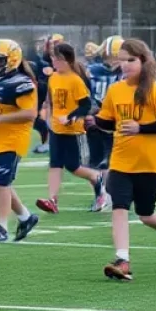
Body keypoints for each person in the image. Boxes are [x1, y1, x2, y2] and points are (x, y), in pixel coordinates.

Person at [97, 38, 156, 281]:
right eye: (122, 60)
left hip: (147, 163)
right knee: (119, 206)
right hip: (119, 162)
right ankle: (123, 260)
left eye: (131, 60)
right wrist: (92, 119)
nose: (125, 65)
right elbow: (107, 121)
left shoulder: (153, 89)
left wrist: (141, 128)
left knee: (146, 214)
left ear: (143, 61)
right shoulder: (115, 90)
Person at [0, 39, 39, 242]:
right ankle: (25, 217)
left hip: (14, 137)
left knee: (2, 182)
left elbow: (30, 113)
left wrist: (2, 118)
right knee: (2, 183)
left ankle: (1, 227)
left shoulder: (22, 82)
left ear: (12, 60)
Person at [35, 42, 106, 215]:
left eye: (56, 58)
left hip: (73, 131)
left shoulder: (75, 80)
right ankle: (52, 200)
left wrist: (70, 117)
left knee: (73, 166)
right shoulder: (53, 78)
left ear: (65, 60)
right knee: (55, 164)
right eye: (52, 57)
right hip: (56, 130)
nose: (53, 61)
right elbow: (50, 101)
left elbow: (85, 104)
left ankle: (97, 178)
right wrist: (50, 119)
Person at [84, 37, 122, 210]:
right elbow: (85, 95)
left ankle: (107, 196)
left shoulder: (126, 75)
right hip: (94, 123)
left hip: (113, 123)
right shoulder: (92, 71)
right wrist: (91, 113)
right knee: (95, 162)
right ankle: (102, 195)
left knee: (108, 162)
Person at [30, 34, 62, 154]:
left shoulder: (63, 60)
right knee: (36, 118)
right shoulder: (43, 60)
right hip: (44, 91)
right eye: (51, 45)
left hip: (58, 91)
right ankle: (48, 141)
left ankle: (50, 142)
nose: (52, 49)